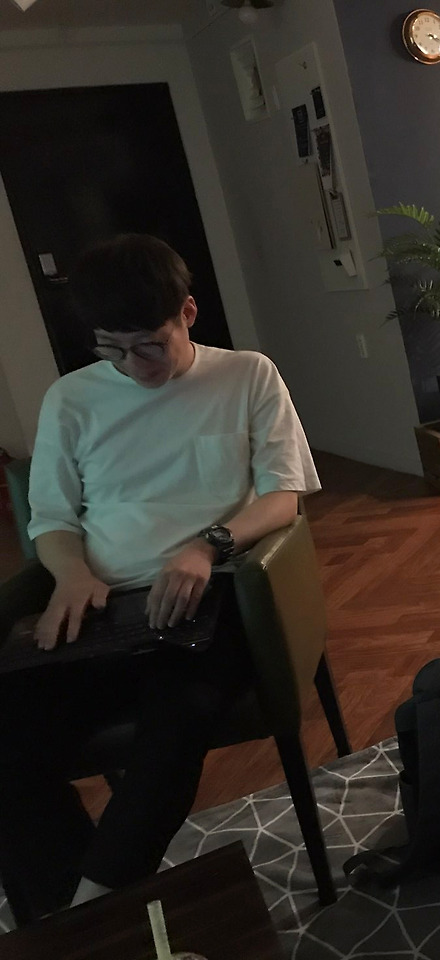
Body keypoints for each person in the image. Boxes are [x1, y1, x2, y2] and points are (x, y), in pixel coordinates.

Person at [0, 234, 320, 919]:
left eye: (149, 345)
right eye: (112, 349)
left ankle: (90, 911)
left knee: (179, 715)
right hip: (102, 606)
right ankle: (72, 916)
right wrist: (70, 574)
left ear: (188, 313)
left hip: (215, 596)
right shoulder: (71, 399)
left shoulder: (248, 376)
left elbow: (282, 497)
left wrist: (207, 546)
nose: (133, 365)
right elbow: (50, 518)